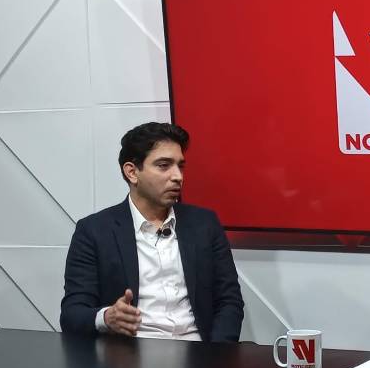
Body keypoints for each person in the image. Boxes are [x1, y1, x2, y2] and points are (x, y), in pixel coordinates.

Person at [60, 122, 244, 342]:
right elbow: (72, 314)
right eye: (164, 165)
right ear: (132, 172)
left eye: (180, 166)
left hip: (199, 352)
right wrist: (107, 317)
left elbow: (229, 301)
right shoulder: (94, 231)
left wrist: (218, 353)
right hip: (131, 355)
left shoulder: (204, 224)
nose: (178, 176)